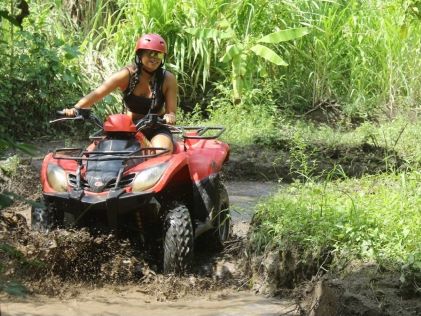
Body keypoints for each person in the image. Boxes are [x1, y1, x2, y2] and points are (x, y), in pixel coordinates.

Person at [63, 33, 177, 153]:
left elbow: (171, 112)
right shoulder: (127, 74)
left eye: (158, 54)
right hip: (128, 129)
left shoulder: (168, 79)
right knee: (102, 155)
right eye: (150, 53)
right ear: (140, 54)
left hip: (156, 127)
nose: (155, 58)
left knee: (161, 152)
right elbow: (98, 93)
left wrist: (170, 116)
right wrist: (76, 108)